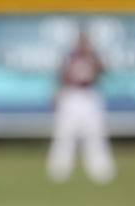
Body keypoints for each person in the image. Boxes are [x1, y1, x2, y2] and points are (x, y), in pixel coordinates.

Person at [46, 30, 116, 184]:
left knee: (95, 134)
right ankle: (58, 171)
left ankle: (101, 172)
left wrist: (95, 56)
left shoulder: (94, 56)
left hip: (89, 95)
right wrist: (57, 95)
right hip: (72, 95)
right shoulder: (69, 56)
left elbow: (104, 71)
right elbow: (61, 76)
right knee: (64, 134)